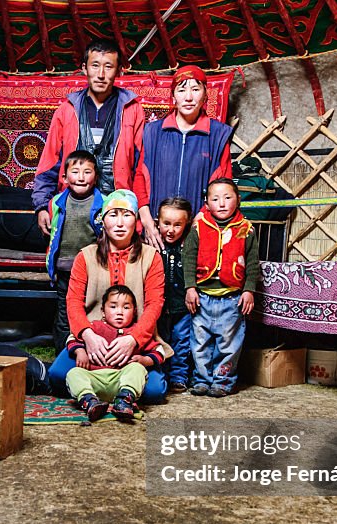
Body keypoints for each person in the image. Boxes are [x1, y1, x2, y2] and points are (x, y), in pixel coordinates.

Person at [47, 189, 170, 403]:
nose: (120, 223)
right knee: (57, 377)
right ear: (103, 221)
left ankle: (104, 386)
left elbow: (154, 305)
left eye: (127, 215)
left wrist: (133, 339)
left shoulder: (152, 258)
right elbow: (73, 301)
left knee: (154, 391)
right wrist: (87, 335)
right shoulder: (85, 256)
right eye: (113, 215)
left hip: (135, 341)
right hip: (94, 338)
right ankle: (110, 387)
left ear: (136, 221)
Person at [31, 38, 150, 236]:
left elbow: (140, 165)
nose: (101, 75)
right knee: (71, 262)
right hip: (72, 205)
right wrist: (42, 205)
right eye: (95, 66)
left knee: (114, 263)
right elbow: (50, 162)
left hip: (117, 205)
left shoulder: (133, 110)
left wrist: (141, 208)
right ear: (84, 68)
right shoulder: (66, 110)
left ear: (119, 71)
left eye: (108, 67)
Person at [140, 65, 234, 250]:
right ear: (173, 96)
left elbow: (223, 184)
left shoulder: (217, 135)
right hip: (156, 230)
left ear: (205, 95)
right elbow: (139, 177)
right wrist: (147, 221)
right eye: (182, 90)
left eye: (196, 89)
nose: (189, 97)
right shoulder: (153, 132)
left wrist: (199, 223)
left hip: (199, 229)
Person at [183, 178, 258, 397]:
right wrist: (190, 288)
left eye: (228, 198)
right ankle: (202, 380)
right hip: (202, 297)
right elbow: (188, 258)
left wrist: (248, 290)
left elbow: (253, 263)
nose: (222, 203)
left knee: (229, 344)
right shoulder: (198, 228)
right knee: (199, 342)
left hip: (232, 298)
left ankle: (223, 381)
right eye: (215, 199)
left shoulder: (246, 229)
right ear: (206, 203)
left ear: (238, 200)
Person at [66, 285, 165, 422]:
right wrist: (80, 351)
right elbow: (72, 338)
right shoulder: (95, 327)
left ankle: (124, 400)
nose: (119, 312)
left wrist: (144, 360)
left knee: (137, 369)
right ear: (103, 311)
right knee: (73, 374)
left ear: (134, 311)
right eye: (113, 307)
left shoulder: (137, 332)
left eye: (126, 307)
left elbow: (159, 351)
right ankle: (90, 401)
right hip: (95, 378)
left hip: (121, 378)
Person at [43, 150, 105, 354]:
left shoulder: (103, 203)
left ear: (96, 177)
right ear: (64, 177)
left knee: (91, 310)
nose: (80, 177)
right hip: (64, 269)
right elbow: (53, 235)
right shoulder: (57, 203)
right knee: (65, 311)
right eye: (75, 171)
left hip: (92, 270)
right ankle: (63, 353)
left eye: (87, 172)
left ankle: (90, 351)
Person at [155, 196, 194, 393]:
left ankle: (179, 376)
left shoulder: (189, 246)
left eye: (178, 225)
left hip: (183, 306)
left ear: (186, 224)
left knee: (181, 340)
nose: (171, 229)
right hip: (159, 307)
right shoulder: (152, 245)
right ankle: (161, 373)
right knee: (161, 339)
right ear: (157, 222)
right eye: (166, 223)